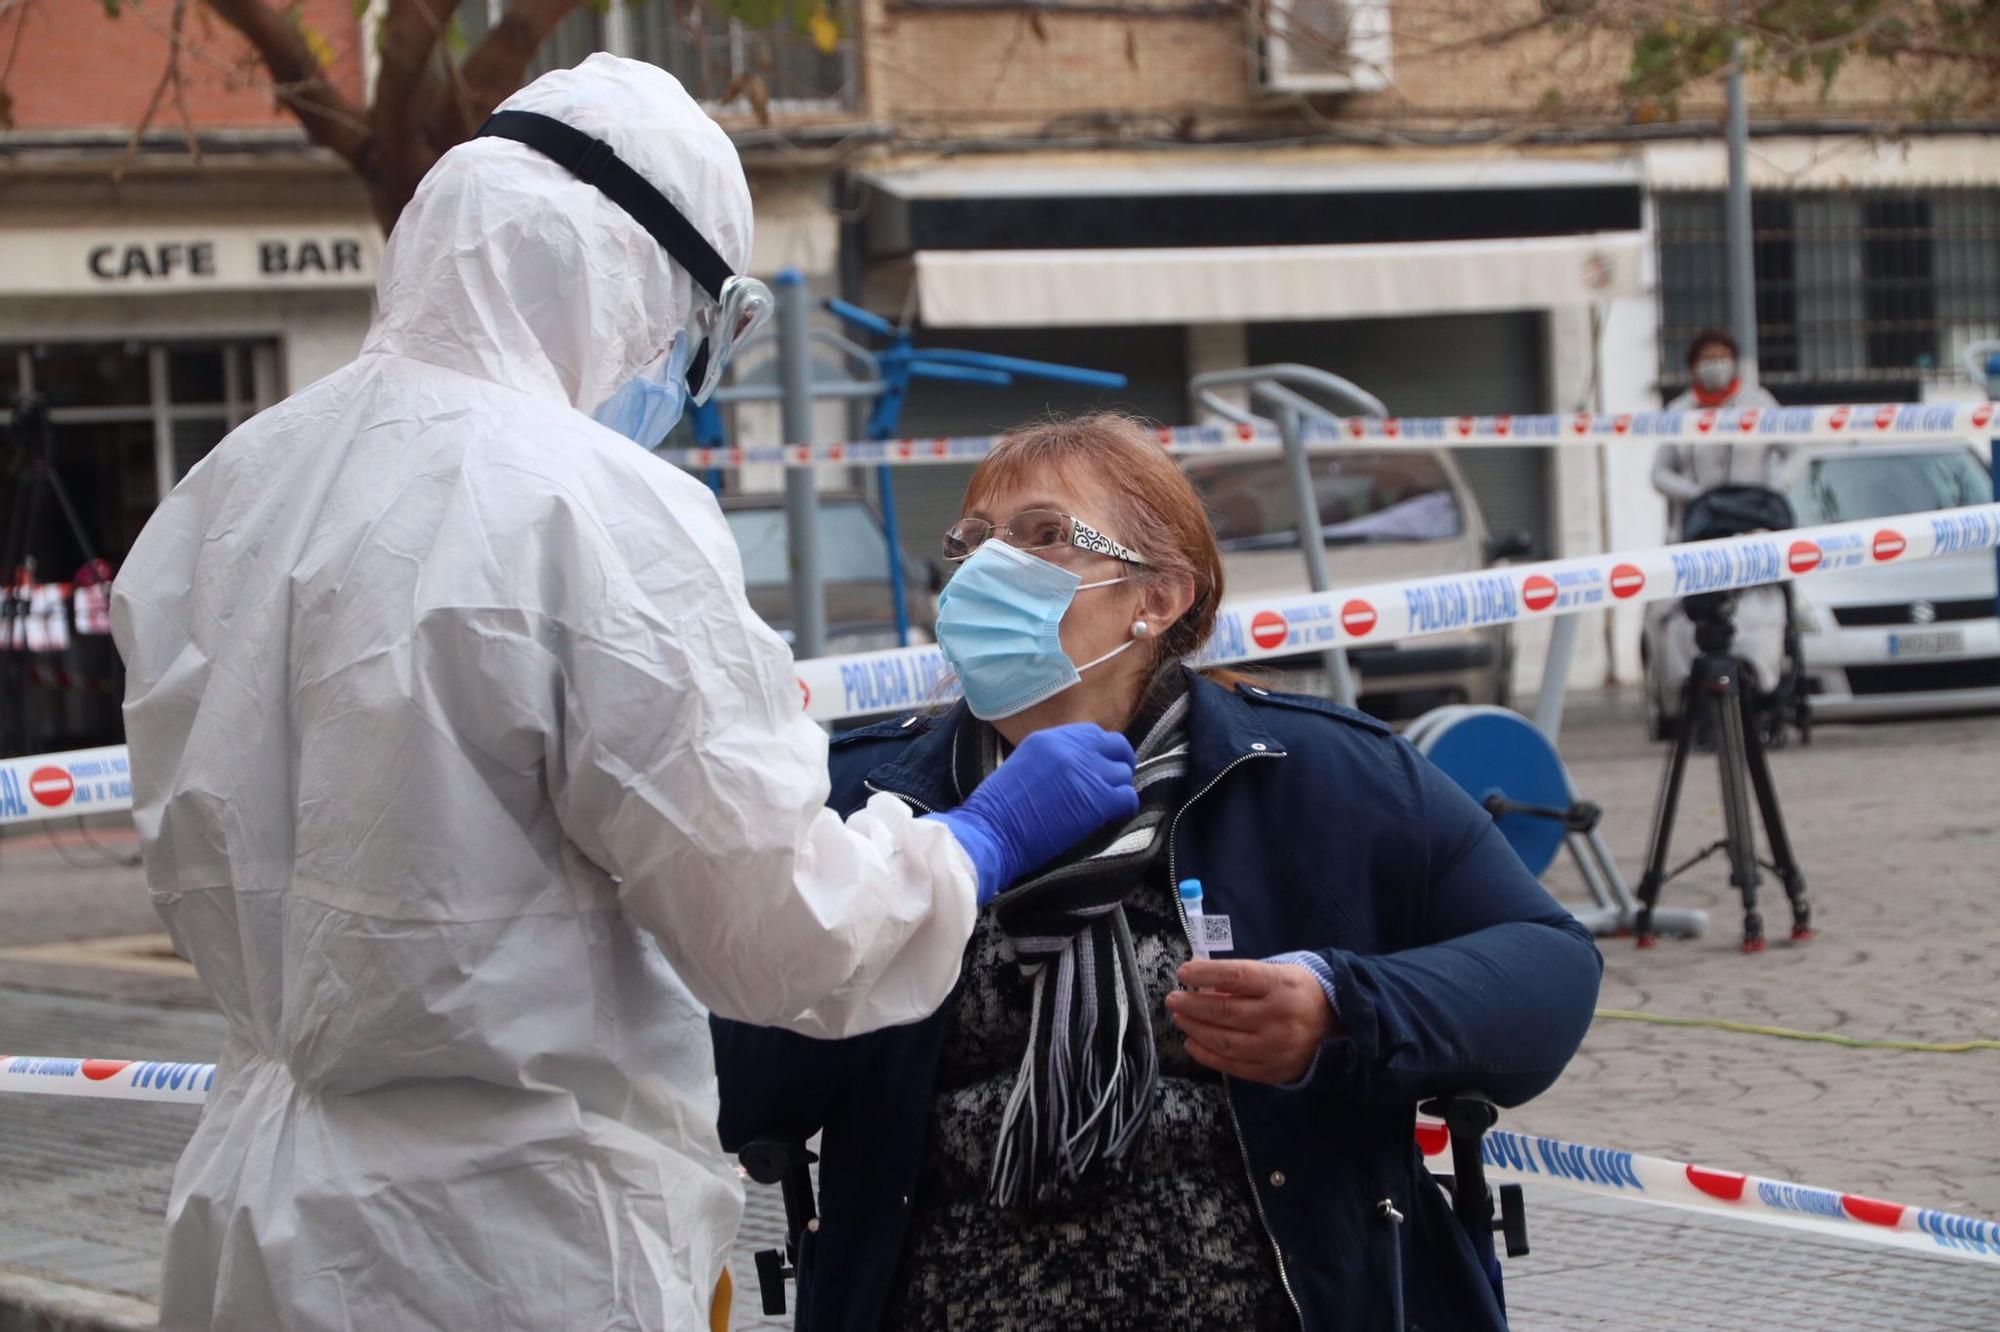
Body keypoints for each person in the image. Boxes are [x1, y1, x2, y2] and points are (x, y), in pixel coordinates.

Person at [109, 57, 1136, 1332]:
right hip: (506, 1242)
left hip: (260, 1210)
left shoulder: (225, 490)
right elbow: (780, 934)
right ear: (628, 276)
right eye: (693, 331)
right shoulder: (591, 508)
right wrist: (970, 845)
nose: (676, 378)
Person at [712, 412, 1605, 1331]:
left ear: (1158, 598)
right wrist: (924, 879)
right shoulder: (861, 799)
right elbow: (734, 1079)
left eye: (1044, 536)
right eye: (972, 542)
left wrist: (1345, 1007)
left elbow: (1548, 970)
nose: (984, 568)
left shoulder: (1324, 778)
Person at [1654, 328, 1795, 536]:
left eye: (1722, 358)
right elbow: (1659, 474)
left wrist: (1774, 488)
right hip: (1703, 526)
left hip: (1756, 521)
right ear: (1694, 366)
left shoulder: (1759, 403)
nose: (1716, 365)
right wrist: (1697, 495)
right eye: (1709, 358)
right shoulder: (1679, 411)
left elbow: (1796, 450)